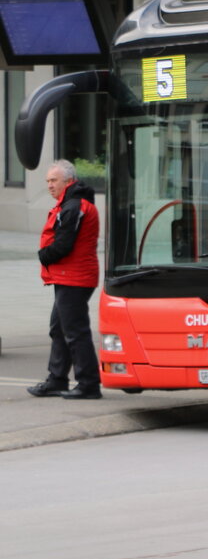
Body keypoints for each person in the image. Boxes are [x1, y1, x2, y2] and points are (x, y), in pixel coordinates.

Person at [26, 160, 102, 399]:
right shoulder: (70, 203)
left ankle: (88, 384)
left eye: (53, 180)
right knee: (59, 329)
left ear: (68, 181)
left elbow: (63, 244)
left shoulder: (74, 206)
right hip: (70, 276)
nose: (49, 185)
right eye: (47, 181)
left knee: (75, 332)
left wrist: (43, 255)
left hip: (75, 277)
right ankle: (57, 380)